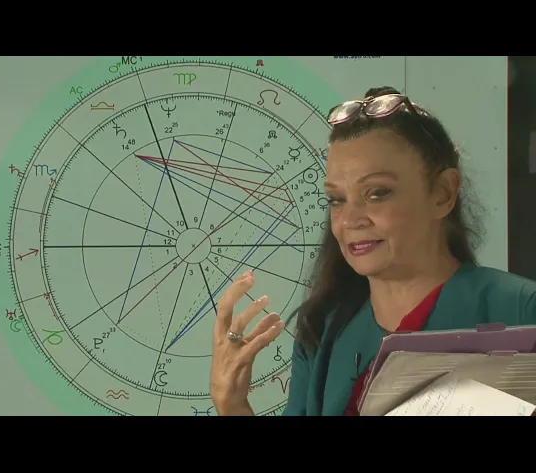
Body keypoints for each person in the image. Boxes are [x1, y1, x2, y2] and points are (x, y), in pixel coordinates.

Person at [209, 86, 536, 416]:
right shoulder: (321, 332)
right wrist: (233, 404)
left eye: (377, 193)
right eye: (337, 199)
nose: (350, 220)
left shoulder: (522, 311)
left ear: (443, 193)